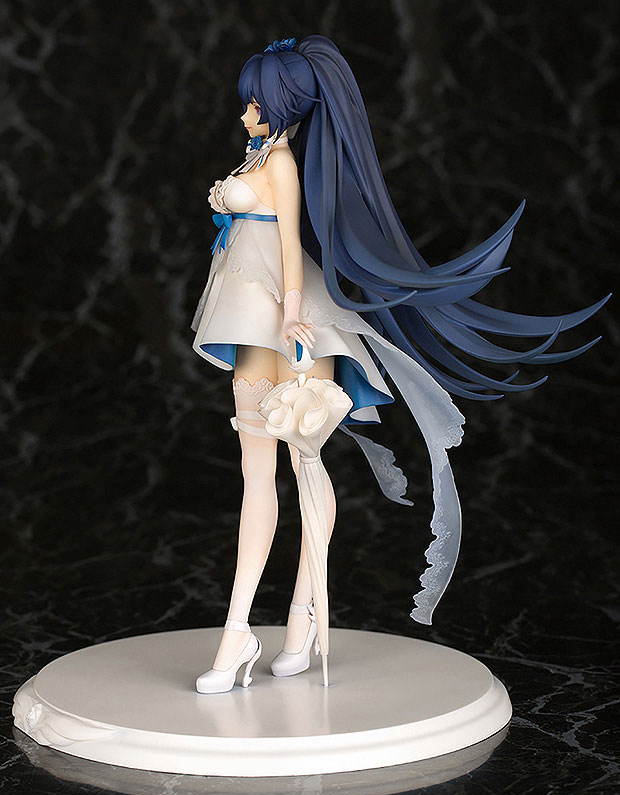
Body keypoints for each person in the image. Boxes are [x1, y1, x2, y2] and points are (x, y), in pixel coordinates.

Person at [190, 35, 609, 694]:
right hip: (246, 314)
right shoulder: (259, 155)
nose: (246, 114)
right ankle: (241, 628)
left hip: (287, 316)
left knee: (304, 467)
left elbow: (293, 247)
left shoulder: (282, 164)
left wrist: (295, 312)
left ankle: (300, 618)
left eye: (256, 105)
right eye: (248, 104)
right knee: (256, 476)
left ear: (286, 107)